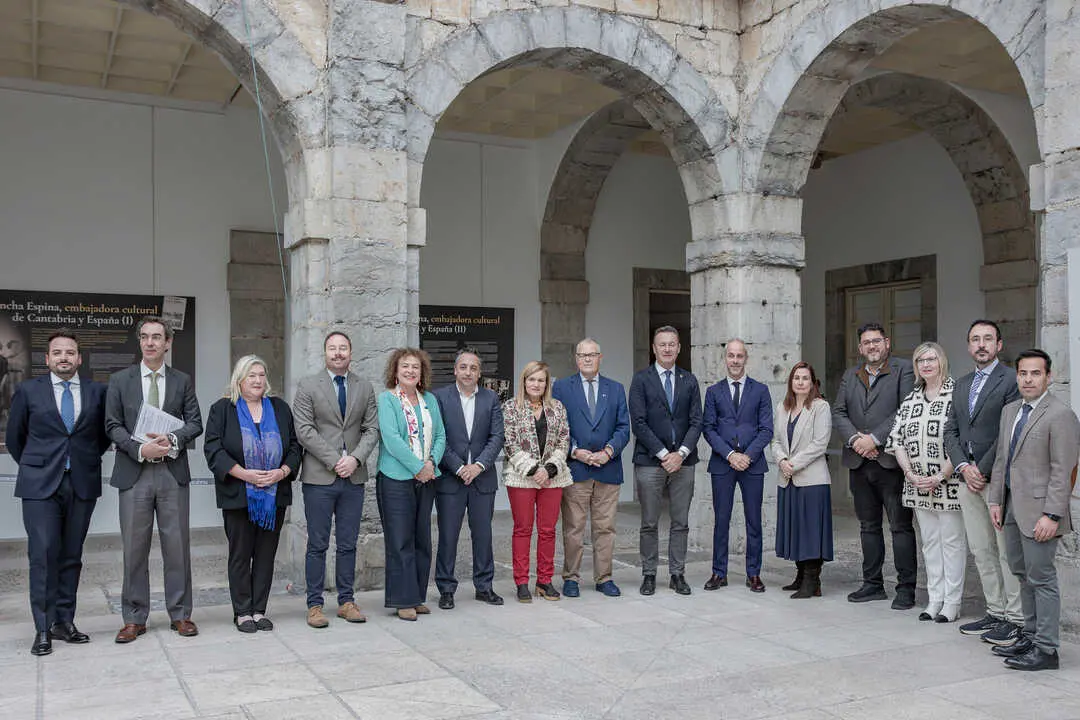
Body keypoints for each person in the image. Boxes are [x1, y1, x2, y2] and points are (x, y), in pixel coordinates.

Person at [6, 330, 110, 655]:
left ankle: (64, 622)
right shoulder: (27, 391)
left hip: (81, 482)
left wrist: (81, 461)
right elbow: (15, 439)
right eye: (57, 353)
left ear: (79, 358)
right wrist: (39, 465)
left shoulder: (97, 392)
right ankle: (42, 627)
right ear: (47, 359)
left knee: (72, 555)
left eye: (70, 352)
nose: (64, 357)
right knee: (43, 553)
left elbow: (102, 437)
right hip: (40, 485)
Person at [106, 316, 203, 643]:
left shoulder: (182, 380)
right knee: (134, 548)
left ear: (168, 343)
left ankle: (181, 614)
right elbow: (112, 425)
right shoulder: (120, 380)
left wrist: (172, 440)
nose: (150, 342)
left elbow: (195, 423)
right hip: (135, 473)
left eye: (157, 337)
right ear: (140, 342)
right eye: (145, 337)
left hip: (172, 472)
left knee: (177, 547)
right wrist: (140, 449)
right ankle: (134, 617)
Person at [987, 349, 1080, 671]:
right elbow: (1002, 458)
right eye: (1023, 373)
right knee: (1022, 574)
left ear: (1048, 377)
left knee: (1042, 578)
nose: (1028, 379)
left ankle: (1047, 650)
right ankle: (1029, 636)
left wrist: (1052, 515)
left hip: (1041, 513)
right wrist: (995, 501)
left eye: (1035, 373)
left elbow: (1064, 469)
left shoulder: (1060, 414)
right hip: (1012, 506)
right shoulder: (1010, 410)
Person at [204, 355, 302, 633]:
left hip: (274, 494)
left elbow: (295, 447)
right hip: (238, 494)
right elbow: (213, 450)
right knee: (240, 554)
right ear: (239, 380)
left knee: (266, 554)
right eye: (251, 376)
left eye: (261, 375)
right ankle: (242, 612)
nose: (258, 380)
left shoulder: (280, 409)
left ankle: (259, 610)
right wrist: (244, 474)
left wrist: (281, 472)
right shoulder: (223, 409)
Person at [293, 331, 379, 629]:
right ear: (324, 353)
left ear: (351, 352)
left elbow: (372, 430)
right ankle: (315, 605)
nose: (338, 353)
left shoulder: (364, 386)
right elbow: (304, 430)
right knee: (317, 543)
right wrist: (335, 460)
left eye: (343, 348)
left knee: (347, 543)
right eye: (333, 348)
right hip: (319, 477)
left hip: (353, 477)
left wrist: (354, 459)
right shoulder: (307, 386)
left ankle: (346, 601)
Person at [944, 320, 1023, 644]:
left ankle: (1016, 618)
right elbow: (951, 431)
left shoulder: (1011, 380)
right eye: (975, 339)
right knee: (981, 549)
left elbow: (1010, 431)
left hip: (998, 480)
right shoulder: (961, 384)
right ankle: (996, 611)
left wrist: (982, 468)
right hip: (967, 480)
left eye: (987, 339)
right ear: (968, 346)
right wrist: (963, 466)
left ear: (999, 345)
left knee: (1006, 551)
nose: (981, 344)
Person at [833, 322, 916, 609]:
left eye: (877, 341)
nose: (872, 346)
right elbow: (839, 412)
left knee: (900, 527)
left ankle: (906, 589)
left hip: (891, 462)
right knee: (868, 527)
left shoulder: (904, 369)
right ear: (860, 348)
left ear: (887, 343)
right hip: (859, 463)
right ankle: (873, 585)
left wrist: (876, 439)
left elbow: (904, 409)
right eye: (866, 342)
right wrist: (857, 439)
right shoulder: (850, 375)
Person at [885, 342, 966, 623]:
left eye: (931, 359)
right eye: (920, 360)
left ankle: (952, 603)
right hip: (917, 485)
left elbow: (962, 441)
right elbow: (896, 440)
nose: (926, 364)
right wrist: (909, 473)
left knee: (952, 543)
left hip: (949, 483)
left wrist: (940, 475)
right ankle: (935, 600)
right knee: (930, 543)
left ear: (941, 361)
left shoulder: (957, 394)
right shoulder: (911, 399)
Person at [552, 338, 630, 598]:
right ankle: (571, 577)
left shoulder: (616, 388)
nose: (587, 359)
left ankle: (604, 577)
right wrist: (575, 451)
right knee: (574, 528)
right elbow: (558, 427)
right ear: (576, 358)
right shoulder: (562, 388)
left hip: (608, 469)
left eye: (592, 354)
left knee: (605, 528)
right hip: (577, 468)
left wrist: (608, 452)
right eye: (582, 355)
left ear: (600, 357)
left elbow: (623, 428)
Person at [628, 326, 703, 596]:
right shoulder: (641, 380)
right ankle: (649, 574)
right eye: (662, 345)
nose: (668, 349)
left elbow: (697, 421)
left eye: (672, 344)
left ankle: (677, 574)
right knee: (649, 521)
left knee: (680, 521)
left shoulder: (689, 380)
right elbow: (638, 422)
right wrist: (663, 454)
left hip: (684, 462)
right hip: (650, 462)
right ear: (654, 348)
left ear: (679, 348)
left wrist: (680, 453)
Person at [376, 348, 446, 621]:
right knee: (400, 540)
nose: (410, 371)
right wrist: (418, 468)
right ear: (395, 371)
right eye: (405, 366)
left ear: (422, 373)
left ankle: (417, 596)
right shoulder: (388, 400)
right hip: (396, 479)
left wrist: (430, 464)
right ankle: (402, 600)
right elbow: (392, 440)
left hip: (426, 479)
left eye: (415, 367)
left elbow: (440, 435)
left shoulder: (429, 400)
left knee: (421, 540)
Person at [433, 348, 505, 610]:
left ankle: (484, 587)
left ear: (479, 372)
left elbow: (497, 437)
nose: (468, 372)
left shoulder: (491, 398)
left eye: (473, 368)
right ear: (455, 370)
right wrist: (459, 467)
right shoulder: (439, 398)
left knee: (483, 535)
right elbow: (437, 436)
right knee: (448, 535)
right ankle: (446, 588)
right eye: (463, 367)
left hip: (482, 479)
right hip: (451, 480)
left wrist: (478, 466)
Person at [702, 339, 773, 593]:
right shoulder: (713, 392)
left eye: (739, 356)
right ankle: (718, 573)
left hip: (753, 466)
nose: (735, 360)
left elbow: (766, 429)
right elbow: (708, 429)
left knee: (754, 520)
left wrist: (747, 456)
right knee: (721, 520)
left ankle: (754, 573)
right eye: (731, 356)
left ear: (746, 358)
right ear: (725, 359)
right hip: (723, 464)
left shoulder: (761, 390)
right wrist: (731, 454)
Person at [502, 360, 572, 603]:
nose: (536, 384)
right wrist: (533, 470)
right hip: (521, 477)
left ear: (546, 384)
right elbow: (509, 442)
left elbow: (564, 440)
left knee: (548, 530)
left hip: (552, 479)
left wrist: (550, 468)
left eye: (541, 380)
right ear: (524, 381)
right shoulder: (511, 407)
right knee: (522, 530)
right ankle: (522, 582)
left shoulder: (558, 408)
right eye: (532, 379)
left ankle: (544, 580)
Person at [770, 361, 833, 599]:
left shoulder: (820, 407)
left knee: (811, 531)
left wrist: (793, 464)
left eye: (805, 378)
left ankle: (812, 581)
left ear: (812, 382)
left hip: (811, 480)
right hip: (787, 478)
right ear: (791, 382)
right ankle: (800, 576)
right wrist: (782, 461)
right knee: (795, 529)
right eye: (797, 378)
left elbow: (820, 443)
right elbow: (775, 440)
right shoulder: (782, 407)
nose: (800, 382)